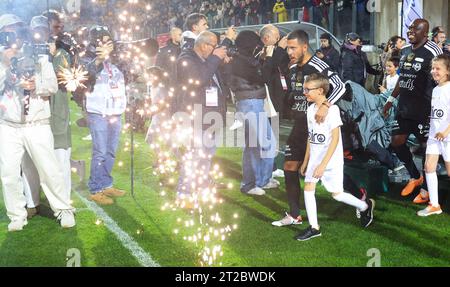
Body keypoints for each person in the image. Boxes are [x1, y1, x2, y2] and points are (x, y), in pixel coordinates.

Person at [0, 14, 75, 231]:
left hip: (38, 123)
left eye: (17, 30)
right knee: (9, 174)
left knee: (50, 169)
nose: (14, 35)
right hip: (8, 126)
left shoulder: (38, 52)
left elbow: (51, 86)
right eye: (9, 31)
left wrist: (36, 84)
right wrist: (5, 63)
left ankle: (63, 209)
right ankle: (16, 215)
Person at [271, 29, 345, 227]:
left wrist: (324, 105)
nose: (290, 52)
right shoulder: (294, 67)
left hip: (320, 126)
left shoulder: (318, 65)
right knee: (289, 166)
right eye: (288, 48)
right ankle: (294, 214)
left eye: (293, 48)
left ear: (305, 46)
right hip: (300, 125)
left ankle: (361, 198)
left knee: (328, 172)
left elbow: (340, 86)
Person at [294, 73, 375, 241]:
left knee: (337, 195)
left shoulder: (333, 110)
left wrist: (323, 164)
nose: (305, 92)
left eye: (308, 90)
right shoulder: (310, 110)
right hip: (315, 159)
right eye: (304, 89)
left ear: (320, 90)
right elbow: (311, 136)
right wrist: (306, 160)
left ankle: (365, 206)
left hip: (331, 161)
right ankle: (314, 228)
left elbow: (335, 139)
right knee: (308, 188)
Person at [383, 19, 443, 201]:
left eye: (415, 29)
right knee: (397, 142)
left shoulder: (433, 51)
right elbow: (403, 78)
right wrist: (390, 100)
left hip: (425, 109)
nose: (410, 31)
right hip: (405, 107)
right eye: (409, 28)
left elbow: (443, 75)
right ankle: (416, 176)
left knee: (427, 148)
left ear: (425, 33)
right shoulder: (405, 51)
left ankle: (426, 189)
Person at [175, 31, 228, 208]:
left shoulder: (207, 60)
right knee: (193, 157)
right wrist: (215, 59)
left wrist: (222, 61)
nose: (216, 50)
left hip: (210, 118)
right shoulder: (186, 58)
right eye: (214, 46)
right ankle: (184, 194)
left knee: (206, 156)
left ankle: (201, 186)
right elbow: (198, 79)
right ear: (204, 45)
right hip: (194, 117)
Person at [223, 30, 277, 195]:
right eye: (255, 44)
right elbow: (262, 75)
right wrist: (268, 57)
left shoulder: (240, 58)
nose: (258, 47)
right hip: (250, 103)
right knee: (265, 144)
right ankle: (257, 181)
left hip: (251, 103)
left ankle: (257, 181)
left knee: (255, 145)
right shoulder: (239, 61)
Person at [82, 26, 127, 205]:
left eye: (109, 41)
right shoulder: (86, 58)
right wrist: (99, 59)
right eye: (103, 41)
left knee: (111, 151)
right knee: (100, 152)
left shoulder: (117, 60)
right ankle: (95, 188)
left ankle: (106, 183)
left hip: (116, 111)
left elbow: (128, 76)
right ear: (95, 42)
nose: (108, 44)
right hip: (98, 112)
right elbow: (87, 77)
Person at [417, 54, 450, 216]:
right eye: (433, 68)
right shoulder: (436, 89)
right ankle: (435, 205)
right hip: (434, 136)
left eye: (438, 69)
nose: (434, 71)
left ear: (448, 71)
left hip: (448, 137)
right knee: (429, 167)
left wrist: (445, 131)